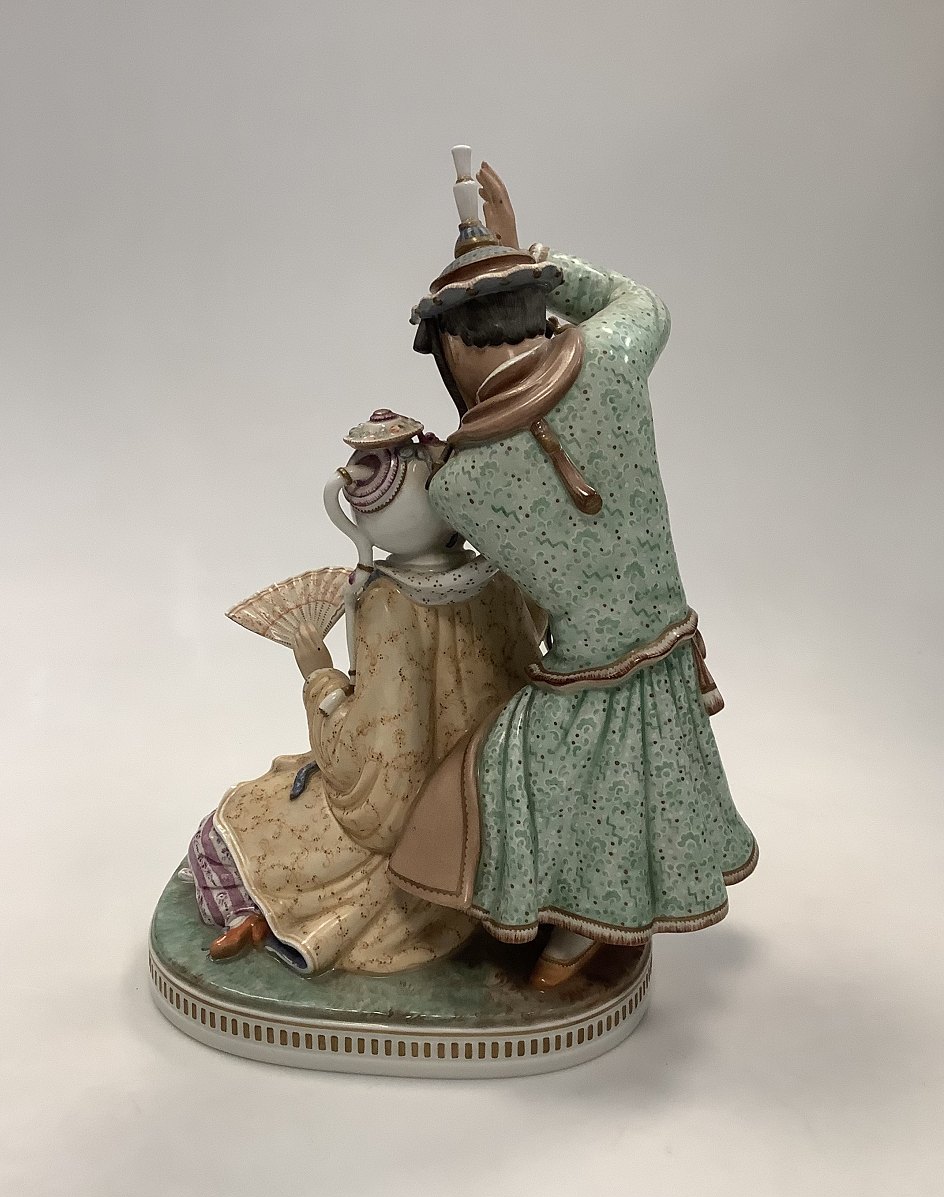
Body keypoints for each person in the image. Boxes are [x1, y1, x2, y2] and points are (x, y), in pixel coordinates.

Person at [389, 156, 757, 988]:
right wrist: (536, 257)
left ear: (452, 347)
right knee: (631, 781)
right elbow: (642, 300)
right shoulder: (612, 357)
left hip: (586, 665)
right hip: (665, 638)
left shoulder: (459, 486)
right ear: (539, 310)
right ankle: (595, 920)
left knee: (504, 779)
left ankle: (569, 920)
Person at [186, 414, 543, 975]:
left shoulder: (390, 602)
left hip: (417, 829)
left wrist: (320, 676)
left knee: (224, 833)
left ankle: (270, 920)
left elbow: (380, 776)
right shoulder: (498, 580)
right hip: (495, 807)